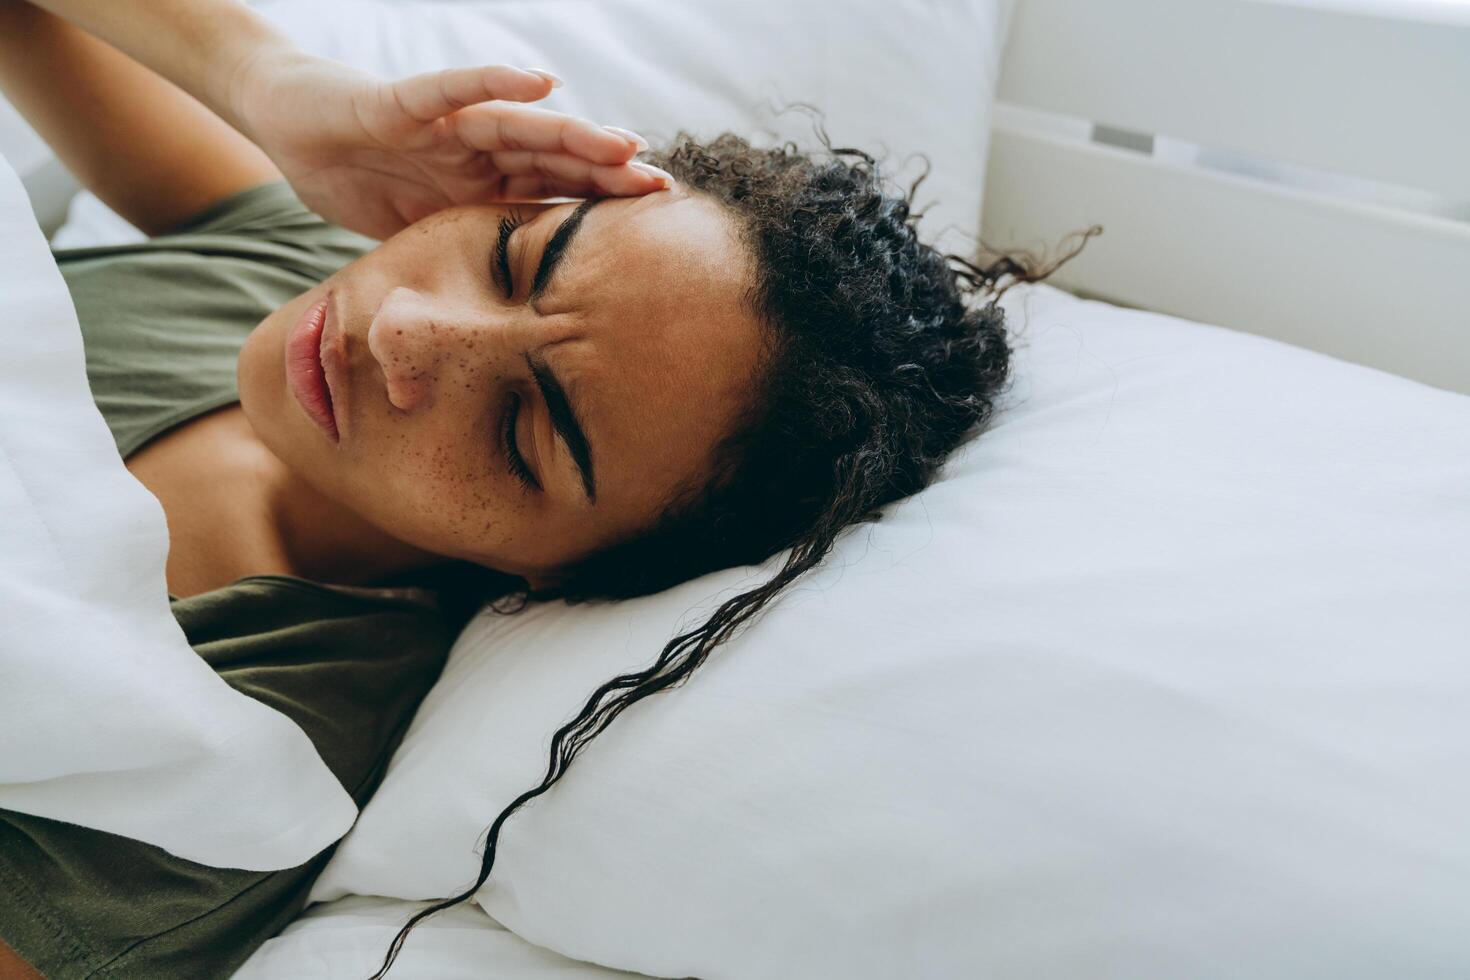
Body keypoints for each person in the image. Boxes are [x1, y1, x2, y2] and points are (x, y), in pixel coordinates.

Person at [0, 0, 1086, 976]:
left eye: (524, 429)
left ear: (563, 575)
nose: (404, 331)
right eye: (516, 257)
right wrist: (271, 87)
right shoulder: (291, 254)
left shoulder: (246, 754)